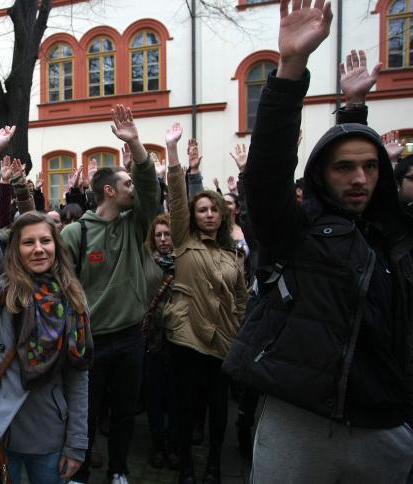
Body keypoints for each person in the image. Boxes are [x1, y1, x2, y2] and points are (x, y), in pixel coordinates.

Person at [223, 1, 413, 482]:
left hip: (385, 425)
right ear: (320, 177)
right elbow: (266, 173)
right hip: (300, 419)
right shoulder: (297, 231)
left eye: (371, 168)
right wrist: (290, 68)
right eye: (344, 168)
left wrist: (354, 111)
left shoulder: (398, 239)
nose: (360, 178)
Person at [0, 125, 92, 484]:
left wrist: (77, 445)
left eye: (45, 242)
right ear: (15, 249)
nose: (38, 249)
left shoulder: (72, 297)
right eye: (28, 243)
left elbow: (79, 375)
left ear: (56, 246)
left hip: (48, 432)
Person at [61, 105, 160, 484]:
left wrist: (135, 143)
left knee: (122, 412)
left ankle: (119, 469)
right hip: (90, 341)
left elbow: (150, 187)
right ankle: (80, 472)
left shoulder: (134, 225)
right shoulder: (75, 234)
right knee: (84, 412)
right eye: (127, 185)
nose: (133, 190)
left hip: (132, 337)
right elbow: (62, 288)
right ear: (109, 191)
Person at [163, 122, 247, 484]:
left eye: (214, 210)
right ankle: (186, 465)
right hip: (186, 336)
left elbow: (241, 297)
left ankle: (213, 463)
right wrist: (173, 154)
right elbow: (178, 201)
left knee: (217, 408)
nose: (208, 214)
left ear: (222, 215)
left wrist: (237, 327)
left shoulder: (232, 253)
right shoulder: (183, 240)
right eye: (202, 211)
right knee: (184, 407)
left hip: (222, 340)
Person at [142, 214, 179, 470]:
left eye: (167, 234)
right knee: (154, 393)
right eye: (159, 235)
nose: (164, 240)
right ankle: (157, 442)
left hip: (179, 336)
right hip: (152, 337)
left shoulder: (184, 261)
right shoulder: (146, 261)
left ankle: (173, 443)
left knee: (176, 393)